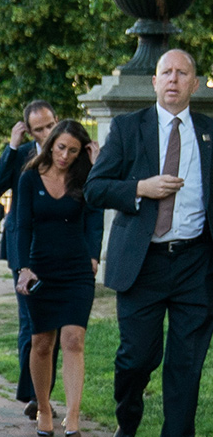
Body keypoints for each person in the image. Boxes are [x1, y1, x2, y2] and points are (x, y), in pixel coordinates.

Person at [85, 49, 213, 437]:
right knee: (136, 358)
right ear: (155, 82)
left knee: (187, 365)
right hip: (143, 264)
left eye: (182, 73)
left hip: (195, 263)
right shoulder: (128, 128)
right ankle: (128, 421)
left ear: (195, 84)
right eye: (166, 72)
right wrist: (141, 187)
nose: (173, 79)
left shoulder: (209, 132)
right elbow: (95, 189)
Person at [14, 120, 102, 436]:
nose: (65, 156)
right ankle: (44, 408)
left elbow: (96, 216)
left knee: (73, 340)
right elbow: (22, 226)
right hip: (41, 269)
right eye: (61, 147)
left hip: (77, 270)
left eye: (73, 151)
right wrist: (23, 268)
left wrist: (94, 255)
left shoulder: (85, 178)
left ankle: (73, 419)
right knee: (41, 343)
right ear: (51, 144)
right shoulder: (29, 178)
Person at [0, 99, 60, 416]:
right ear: (28, 130)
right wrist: (12, 147)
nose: (46, 133)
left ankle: (43, 394)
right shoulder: (22, 153)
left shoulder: (68, 152)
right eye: (38, 129)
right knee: (30, 322)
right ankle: (33, 396)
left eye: (50, 125)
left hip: (58, 248)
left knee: (54, 324)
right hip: (23, 249)